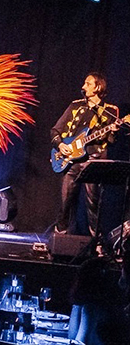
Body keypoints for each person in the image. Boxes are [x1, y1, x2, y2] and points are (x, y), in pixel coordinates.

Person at [52, 72, 121, 235]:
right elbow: (55, 130)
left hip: (93, 161)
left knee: (93, 202)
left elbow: (111, 141)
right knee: (66, 201)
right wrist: (60, 144)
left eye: (88, 84)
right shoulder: (75, 106)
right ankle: (60, 234)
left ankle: (96, 241)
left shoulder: (110, 111)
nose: (83, 87)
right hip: (71, 159)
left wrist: (113, 131)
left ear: (98, 87)